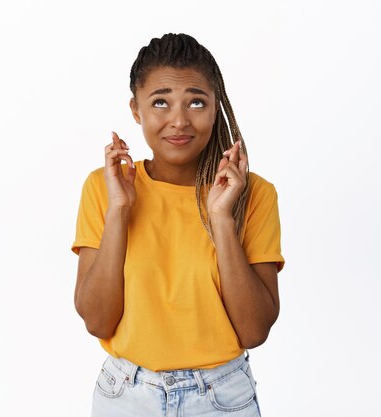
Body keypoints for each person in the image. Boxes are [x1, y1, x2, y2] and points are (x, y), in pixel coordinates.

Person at [72, 33, 285, 417]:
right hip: (126, 397)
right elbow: (97, 320)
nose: (179, 120)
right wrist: (119, 210)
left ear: (215, 105)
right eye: (160, 102)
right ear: (136, 110)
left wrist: (221, 217)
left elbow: (254, 332)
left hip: (222, 399)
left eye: (196, 102)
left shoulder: (254, 194)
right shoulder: (105, 188)